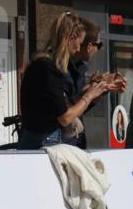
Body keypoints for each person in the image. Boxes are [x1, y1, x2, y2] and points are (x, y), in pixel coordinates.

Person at [19, 12, 123, 149]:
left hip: (41, 137)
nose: (79, 48)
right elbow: (65, 117)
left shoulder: (43, 64)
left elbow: (65, 105)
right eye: (79, 43)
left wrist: (97, 89)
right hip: (45, 140)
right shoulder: (48, 67)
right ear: (70, 38)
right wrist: (90, 94)